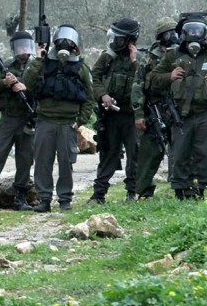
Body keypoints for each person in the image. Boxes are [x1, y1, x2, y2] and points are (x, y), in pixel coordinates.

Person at [148, 15, 207, 200]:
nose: (194, 35)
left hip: (206, 113)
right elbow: (153, 78)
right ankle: (180, 190)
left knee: (203, 153)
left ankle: (200, 190)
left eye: (199, 31)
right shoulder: (172, 55)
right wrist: (169, 76)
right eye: (191, 31)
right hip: (181, 114)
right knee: (180, 153)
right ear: (183, 34)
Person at [23, 25, 94, 212]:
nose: (64, 44)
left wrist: (80, 121)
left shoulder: (81, 67)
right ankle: (44, 199)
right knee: (42, 163)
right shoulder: (44, 63)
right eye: (62, 41)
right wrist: (39, 59)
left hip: (68, 124)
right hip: (45, 121)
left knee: (66, 163)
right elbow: (27, 83)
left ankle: (65, 200)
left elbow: (89, 97)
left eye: (69, 42)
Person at [0, 30, 36, 211]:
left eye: (26, 47)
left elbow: (41, 85)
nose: (23, 51)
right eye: (20, 47)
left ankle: (20, 196)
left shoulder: (35, 66)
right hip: (9, 117)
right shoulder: (7, 65)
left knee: (25, 158)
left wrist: (24, 85)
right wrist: (6, 82)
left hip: (28, 118)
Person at [89, 19, 142, 204]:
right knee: (108, 154)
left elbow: (147, 81)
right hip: (111, 115)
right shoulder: (107, 58)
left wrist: (136, 62)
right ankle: (98, 194)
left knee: (134, 154)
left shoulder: (141, 59)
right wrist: (103, 95)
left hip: (132, 116)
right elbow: (94, 77)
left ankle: (132, 194)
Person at [131, 19, 179, 200]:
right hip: (156, 109)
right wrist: (139, 114)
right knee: (150, 152)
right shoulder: (149, 58)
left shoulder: (183, 54)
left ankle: (182, 188)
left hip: (179, 109)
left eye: (175, 33)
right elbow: (138, 86)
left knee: (182, 151)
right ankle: (144, 191)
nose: (173, 37)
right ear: (160, 37)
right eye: (168, 34)